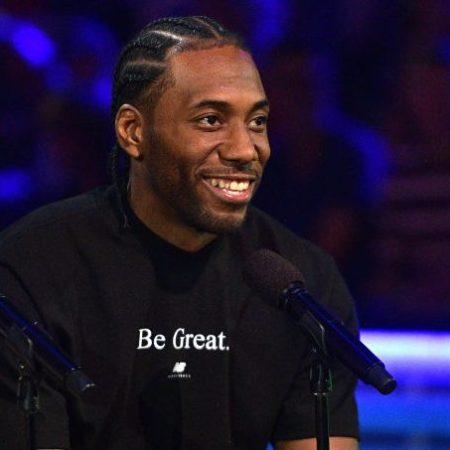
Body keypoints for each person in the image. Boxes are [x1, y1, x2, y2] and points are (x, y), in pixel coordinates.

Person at [0, 16, 359, 450]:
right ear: (133, 132)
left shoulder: (303, 286)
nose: (245, 149)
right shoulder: (33, 266)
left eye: (257, 121)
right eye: (210, 119)